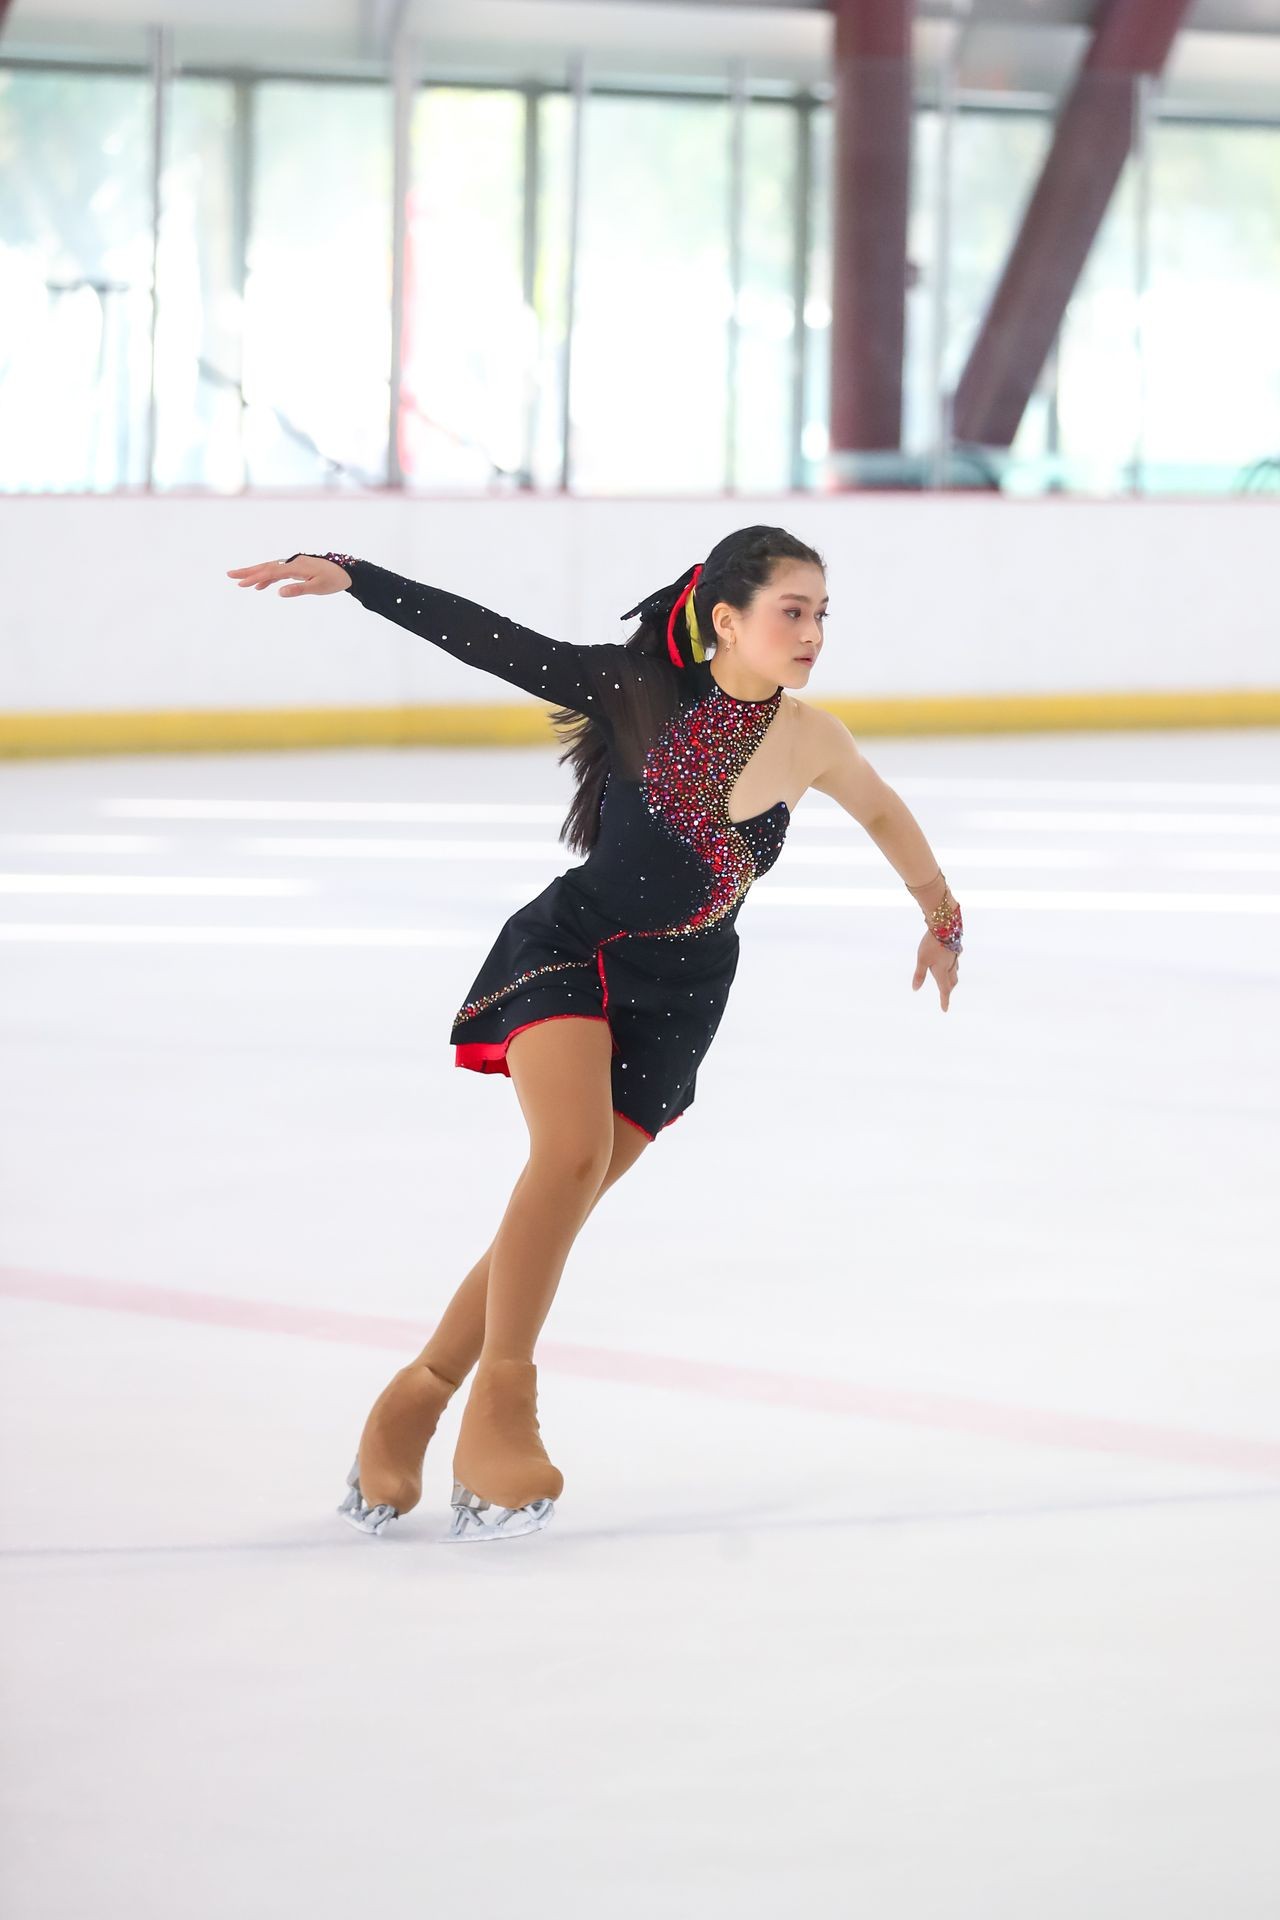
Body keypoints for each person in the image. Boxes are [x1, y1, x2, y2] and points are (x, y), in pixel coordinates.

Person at [226, 526, 963, 1543]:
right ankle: (500, 1414)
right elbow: (484, 638)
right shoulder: (633, 691)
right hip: (572, 947)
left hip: (683, 997)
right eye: (791, 611)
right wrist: (354, 577)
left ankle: (417, 1396)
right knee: (564, 1158)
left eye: (821, 614)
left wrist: (941, 918)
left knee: (557, 1203)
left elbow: (882, 815)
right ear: (726, 619)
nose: (810, 633)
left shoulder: (812, 738)